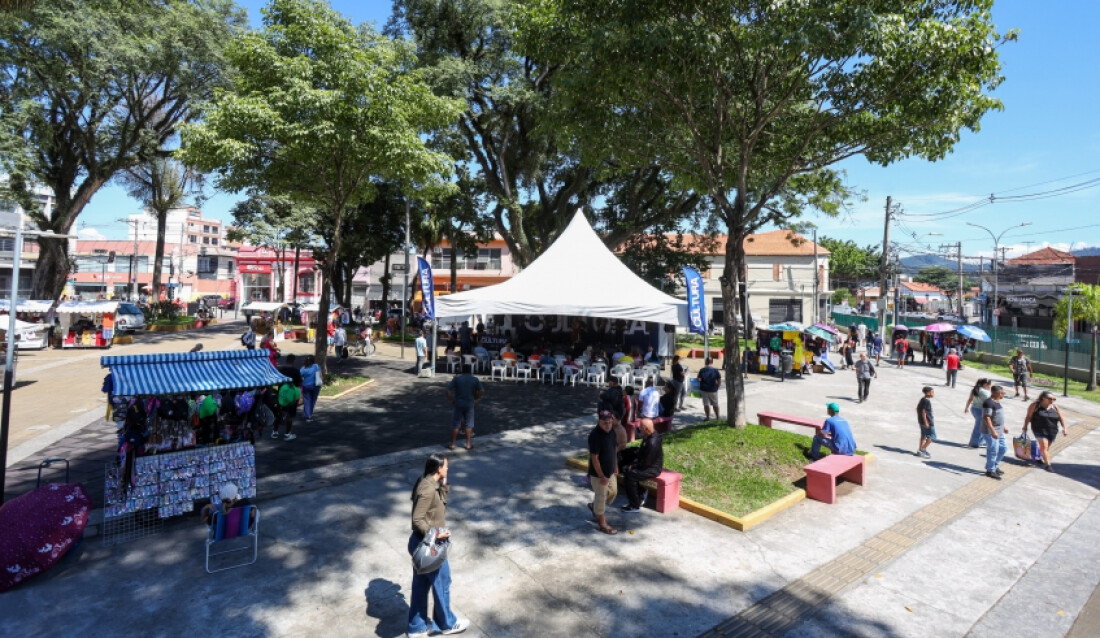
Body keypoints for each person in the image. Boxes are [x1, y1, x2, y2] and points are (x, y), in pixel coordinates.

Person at [407, 454, 469, 637]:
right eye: (446, 467)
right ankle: (446, 624)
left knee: (420, 587)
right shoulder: (427, 489)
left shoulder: (428, 482)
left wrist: (444, 484)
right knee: (443, 583)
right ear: (438, 469)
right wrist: (436, 534)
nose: (447, 469)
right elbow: (417, 519)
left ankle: (416, 627)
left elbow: (440, 505)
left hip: (420, 542)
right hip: (429, 546)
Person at [620, 418, 664, 513]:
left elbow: (646, 463)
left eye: (641, 428)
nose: (639, 429)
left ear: (647, 429)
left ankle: (634, 505)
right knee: (624, 468)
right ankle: (641, 491)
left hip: (652, 468)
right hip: (646, 464)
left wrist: (633, 466)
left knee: (630, 476)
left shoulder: (653, 442)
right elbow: (642, 455)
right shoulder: (648, 436)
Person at [587, 410, 619, 535]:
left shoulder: (612, 432)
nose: (608, 425)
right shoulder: (595, 436)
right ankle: (602, 524)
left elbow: (614, 449)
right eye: (605, 423)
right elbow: (594, 458)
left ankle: (595, 507)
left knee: (613, 492)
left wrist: (615, 465)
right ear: (599, 421)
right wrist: (601, 476)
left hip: (610, 471)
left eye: (610, 422)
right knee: (601, 498)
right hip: (599, 474)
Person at [1022, 391, 1068, 472]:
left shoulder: (1055, 407)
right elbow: (1028, 416)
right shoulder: (1035, 405)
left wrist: (1065, 428)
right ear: (1043, 398)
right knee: (1044, 447)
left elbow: (1061, 418)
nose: (1052, 400)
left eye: (1054, 399)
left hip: (1052, 431)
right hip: (1039, 429)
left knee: (1045, 448)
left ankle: (1038, 457)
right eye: (1050, 398)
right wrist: (1025, 426)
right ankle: (1048, 465)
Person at [446, 365, 483, 451]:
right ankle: (468, 444)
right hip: (469, 404)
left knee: (455, 424)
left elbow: (447, 390)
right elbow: (481, 390)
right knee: (469, 424)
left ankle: (452, 444)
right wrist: (476, 398)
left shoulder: (457, 379)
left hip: (458, 403)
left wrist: (451, 400)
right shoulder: (474, 379)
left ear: (462, 371)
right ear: (470, 371)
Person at [274, 354, 303, 441]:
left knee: (279, 413)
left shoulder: (280, 369)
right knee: (289, 415)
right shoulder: (295, 371)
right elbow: (299, 384)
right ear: (293, 361)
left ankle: (274, 431)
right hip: (291, 395)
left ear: (286, 360)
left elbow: (277, 382)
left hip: (281, 393)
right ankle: (287, 433)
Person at [982, 385, 1008, 480]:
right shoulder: (988, 403)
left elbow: (997, 416)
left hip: (999, 431)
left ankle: (995, 466)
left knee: (1003, 448)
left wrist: (1003, 427)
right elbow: (987, 417)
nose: (1003, 394)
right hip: (990, 432)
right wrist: (993, 431)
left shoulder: (997, 402)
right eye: (1002, 393)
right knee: (993, 450)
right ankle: (990, 470)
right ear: (997, 393)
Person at [964, 378, 993, 448]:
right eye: (990, 385)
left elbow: (970, 399)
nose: (990, 387)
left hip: (974, 409)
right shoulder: (986, 392)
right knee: (979, 427)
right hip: (981, 410)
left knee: (982, 426)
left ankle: (981, 441)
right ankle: (974, 443)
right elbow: (990, 402)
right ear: (985, 384)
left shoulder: (974, 390)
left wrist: (966, 407)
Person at [299, 355, 322, 421]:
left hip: (306, 386)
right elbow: (320, 375)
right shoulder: (316, 366)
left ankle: (307, 414)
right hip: (316, 386)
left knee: (307, 400)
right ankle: (310, 413)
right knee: (313, 400)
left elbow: (299, 376)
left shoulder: (303, 369)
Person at [916, 386, 935, 458]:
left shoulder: (922, 399)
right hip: (928, 422)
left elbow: (917, 408)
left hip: (921, 421)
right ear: (928, 393)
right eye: (932, 392)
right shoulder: (927, 401)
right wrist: (926, 422)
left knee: (923, 435)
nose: (933, 394)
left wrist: (920, 419)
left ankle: (920, 449)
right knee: (932, 436)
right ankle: (922, 449)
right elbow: (924, 412)